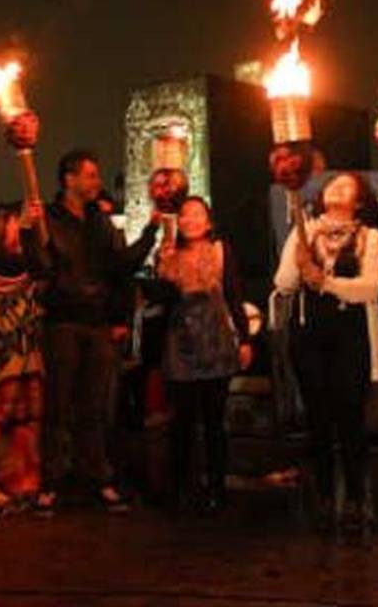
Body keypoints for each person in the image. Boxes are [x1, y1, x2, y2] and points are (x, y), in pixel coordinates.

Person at [38, 149, 160, 515]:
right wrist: (30, 232)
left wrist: (151, 232)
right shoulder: (48, 219)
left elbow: (120, 267)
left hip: (97, 323)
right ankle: (52, 481)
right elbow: (39, 264)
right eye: (90, 175)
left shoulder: (99, 222)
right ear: (69, 179)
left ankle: (98, 477)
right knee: (59, 404)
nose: (97, 182)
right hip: (63, 322)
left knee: (95, 406)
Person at [274, 173, 378, 531]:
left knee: (350, 419)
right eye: (332, 184)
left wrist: (328, 282)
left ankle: (356, 497)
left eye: (346, 185)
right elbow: (284, 283)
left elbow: (369, 287)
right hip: (309, 336)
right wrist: (298, 259)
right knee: (318, 419)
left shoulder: (369, 237)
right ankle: (322, 494)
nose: (336, 187)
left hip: (350, 337)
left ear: (359, 200)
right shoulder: (305, 231)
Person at [156, 197, 252, 514]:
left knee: (214, 419)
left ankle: (216, 486)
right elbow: (161, 300)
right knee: (181, 420)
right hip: (180, 341)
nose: (191, 219)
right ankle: (180, 486)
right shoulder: (169, 251)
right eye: (185, 214)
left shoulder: (221, 250)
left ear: (208, 222)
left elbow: (234, 295)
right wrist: (165, 263)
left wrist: (245, 339)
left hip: (215, 339)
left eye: (198, 214)